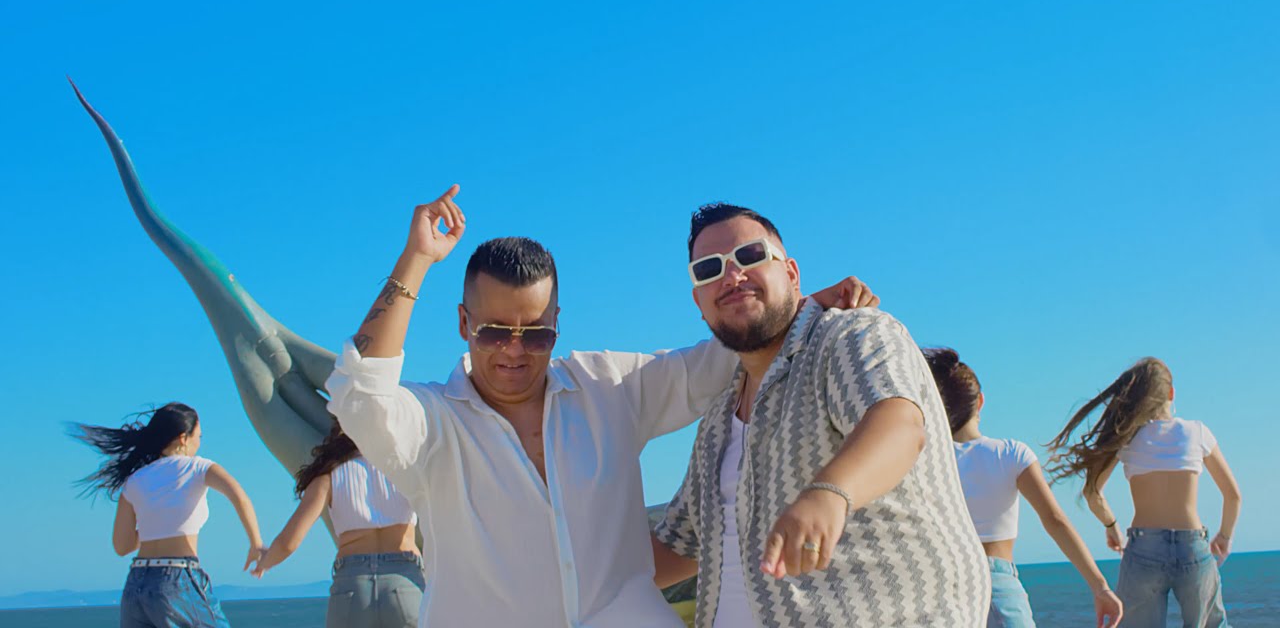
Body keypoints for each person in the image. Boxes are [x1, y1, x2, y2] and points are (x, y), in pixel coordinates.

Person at [324, 185, 877, 627]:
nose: (515, 350)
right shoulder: (431, 424)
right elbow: (360, 397)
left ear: (557, 324)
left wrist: (803, 306)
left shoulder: (606, 387)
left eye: (536, 334)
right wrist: (416, 260)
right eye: (494, 332)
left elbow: (718, 360)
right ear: (464, 323)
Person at [651, 203, 990, 627]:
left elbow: (898, 423)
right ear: (699, 302)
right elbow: (679, 545)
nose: (732, 276)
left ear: (792, 273)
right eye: (709, 269)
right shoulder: (717, 421)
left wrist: (829, 493)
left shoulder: (849, 335)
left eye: (750, 256)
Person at [924, 347, 1123, 628]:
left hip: (939, 589)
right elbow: (1055, 520)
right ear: (980, 402)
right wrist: (1100, 586)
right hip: (996, 584)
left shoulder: (925, 461)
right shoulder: (1010, 453)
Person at [1047, 358, 1241, 628]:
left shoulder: (1127, 437)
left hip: (1143, 548)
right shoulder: (1197, 432)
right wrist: (1225, 536)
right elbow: (1233, 495)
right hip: (1192, 546)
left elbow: (1092, 493)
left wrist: (1111, 526)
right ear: (1171, 393)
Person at [70, 402, 265, 628]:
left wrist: (155, 521)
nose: (199, 443)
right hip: (177, 579)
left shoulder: (135, 480)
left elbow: (122, 546)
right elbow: (240, 497)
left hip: (136, 585)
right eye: (199, 436)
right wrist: (256, 543)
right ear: (183, 438)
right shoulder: (198, 468)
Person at [252, 421, 423, 628]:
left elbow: (288, 543)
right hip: (404, 580)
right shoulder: (409, 470)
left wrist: (266, 561)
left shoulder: (328, 477)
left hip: (352, 586)